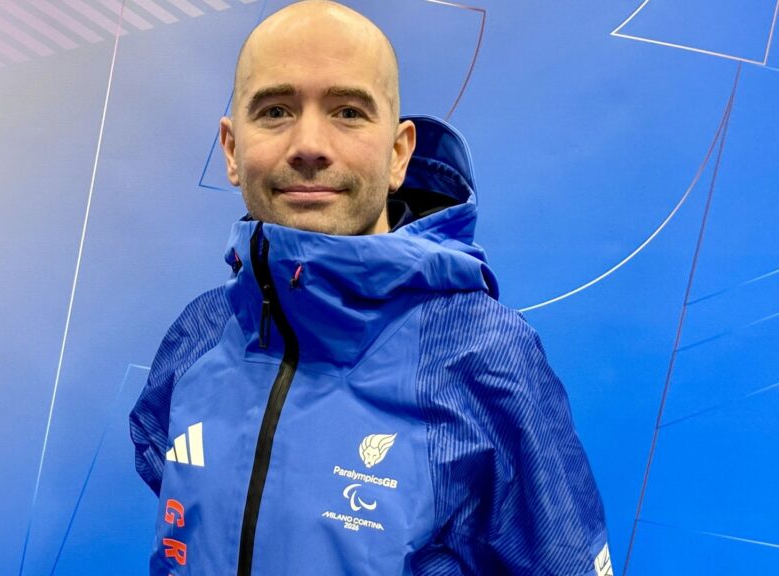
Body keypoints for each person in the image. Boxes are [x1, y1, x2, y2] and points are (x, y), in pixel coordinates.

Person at [129, 1, 611, 574]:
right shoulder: (201, 333)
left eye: (349, 112)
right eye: (277, 110)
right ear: (232, 149)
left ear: (399, 153)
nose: (310, 143)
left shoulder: (485, 358)